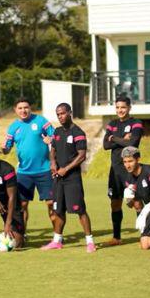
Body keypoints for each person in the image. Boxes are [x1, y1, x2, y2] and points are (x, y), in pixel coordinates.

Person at [42, 103, 96, 252]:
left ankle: (90, 242)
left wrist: (65, 169)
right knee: (58, 210)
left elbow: (82, 156)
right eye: (58, 114)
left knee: (80, 210)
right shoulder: (57, 132)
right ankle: (57, 241)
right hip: (57, 178)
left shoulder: (78, 132)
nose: (60, 116)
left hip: (72, 179)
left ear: (70, 113)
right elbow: (52, 150)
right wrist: (53, 163)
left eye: (63, 113)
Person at [2, 97, 54, 237]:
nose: (23, 110)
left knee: (50, 203)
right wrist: (4, 149)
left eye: (26, 107)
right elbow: (7, 147)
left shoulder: (41, 121)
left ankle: (57, 236)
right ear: (15, 110)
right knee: (22, 206)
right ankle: (22, 235)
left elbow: (56, 136)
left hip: (45, 170)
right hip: (24, 173)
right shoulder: (13, 127)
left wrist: (51, 140)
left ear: (30, 108)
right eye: (20, 108)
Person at [102, 96, 143, 245]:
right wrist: (120, 139)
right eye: (118, 107)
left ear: (129, 108)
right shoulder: (112, 123)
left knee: (136, 202)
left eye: (123, 107)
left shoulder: (136, 123)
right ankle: (117, 237)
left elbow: (133, 143)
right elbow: (105, 145)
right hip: (115, 171)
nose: (120, 110)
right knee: (115, 203)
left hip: (130, 171)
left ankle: (144, 235)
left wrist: (114, 138)